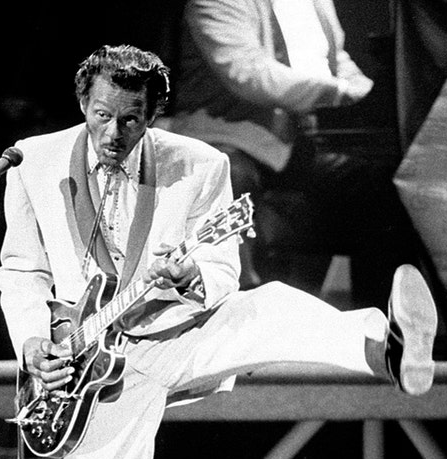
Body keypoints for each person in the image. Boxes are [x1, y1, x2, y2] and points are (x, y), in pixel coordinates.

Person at [0, 44, 436, 459]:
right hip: (87, 375)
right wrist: (36, 341)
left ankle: (380, 345)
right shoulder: (30, 163)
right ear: (83, 104)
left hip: (172, 337)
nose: (114, 132)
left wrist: (189, 276)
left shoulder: (199, 165)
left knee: (268, 307)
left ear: (155, 114)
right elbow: (21, 272)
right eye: (101, 115)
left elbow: (224, 275)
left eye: (131, 119)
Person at [169, 0, 420, 307]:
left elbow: (337, 63)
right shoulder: (217, 2)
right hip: (228, 142)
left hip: (294, 147)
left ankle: (376, 330)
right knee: (230, 175)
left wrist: (372, 93)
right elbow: (248, 72)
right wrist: (340, 91)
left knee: (381, 185)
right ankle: (239, 316)